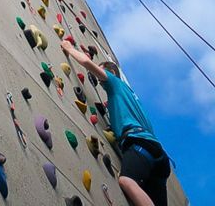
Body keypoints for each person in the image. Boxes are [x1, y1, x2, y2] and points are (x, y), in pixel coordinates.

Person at [61, 41, 171, 206]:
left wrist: (69, 49)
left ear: (108, 71)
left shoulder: (114, 82)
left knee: (127, 181)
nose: (99, 81)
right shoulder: (130, 97)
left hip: (139, 145)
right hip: (158, 157)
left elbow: (86, 63)